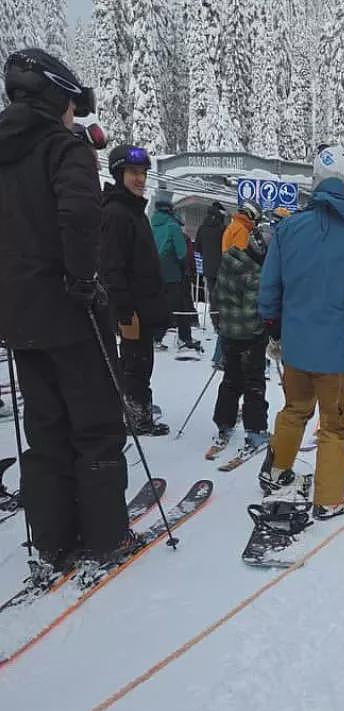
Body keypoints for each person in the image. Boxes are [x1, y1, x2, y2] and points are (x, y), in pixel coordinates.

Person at [0, 48, 131, 572]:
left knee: (45, 429)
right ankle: (104, 537)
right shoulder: (64, 147)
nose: (76, 115)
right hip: (69, 313)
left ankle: (52, 538)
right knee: (96, 424)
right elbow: (78, 213)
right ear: (57, 97)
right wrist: (81, 280)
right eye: (73, 105)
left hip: (18, 317)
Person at [257, 144, 344, 520]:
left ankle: (277, 470)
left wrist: (274, 330)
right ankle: (328, 498)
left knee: (295, 408)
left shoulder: (287, 229)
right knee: (334, 425)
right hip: (334, 355)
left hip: (296, 348)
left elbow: (269, 291)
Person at [101, 144, 170, 436]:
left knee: (141, 361)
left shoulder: (134, 211)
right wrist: (125, 311)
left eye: (142, 173)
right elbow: (110, 266)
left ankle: (138, 407)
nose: (140, 179)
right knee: (135, 363)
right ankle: (135, 415)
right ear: (119, 174)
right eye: (133, 173)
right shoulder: (117, 213)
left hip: (144, 305)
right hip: (132, 308)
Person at [209, 230, 269, 458]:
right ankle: (255, 430)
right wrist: (263, 331)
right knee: (254, 383)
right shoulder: (255, 275)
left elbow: (215, 296)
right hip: (248, 338)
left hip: (227, 332)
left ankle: (224, 422)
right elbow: (252, 313)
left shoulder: (229, 260)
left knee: (231, 380)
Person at [151, 198, 202, 353]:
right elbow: (182, 252)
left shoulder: (151, 225)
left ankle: (163, 337)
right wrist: (185, 267)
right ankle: (179, 338)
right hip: (172, 271)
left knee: (163, 305)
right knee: (178, 305)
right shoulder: (173, 226)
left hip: (155, 271)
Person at [194, 201, 226, 304]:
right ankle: (222, 317)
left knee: (212, 294)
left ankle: (214, 317)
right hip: (223, 267)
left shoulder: (202, 228)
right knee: (223, 295)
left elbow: (197, 248)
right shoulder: (223, 229)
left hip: (208, 267)